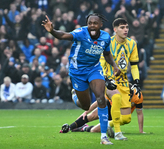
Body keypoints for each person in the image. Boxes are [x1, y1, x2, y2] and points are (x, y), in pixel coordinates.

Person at [42, 13, 121, 145]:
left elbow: (107, 54)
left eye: (95, 23)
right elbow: (63, 35)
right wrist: (52, 31)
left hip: (94, 69)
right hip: (77, 71)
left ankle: (103, 137)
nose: (92, 25)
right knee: (85, 105)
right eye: (90, 23)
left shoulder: (106, 37)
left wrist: (114, 65)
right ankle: (75, 96)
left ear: (100, 25)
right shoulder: (80, 33)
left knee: (101, 98)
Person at [67, 87, 144, 134]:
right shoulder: (116, 91)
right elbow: (99, 101)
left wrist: (141, 131)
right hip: (110, 107)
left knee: (94, 130)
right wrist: (86, 111)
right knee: (91, 116)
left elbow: (139, 113)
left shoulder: (138, 96)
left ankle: (84, 128)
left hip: (118, 116)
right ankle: (71, 127)